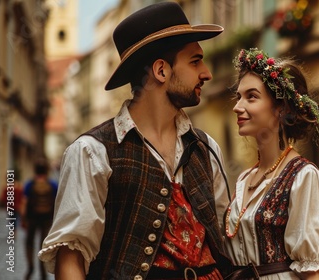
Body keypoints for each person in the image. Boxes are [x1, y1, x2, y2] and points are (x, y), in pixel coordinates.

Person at [38, 2, 231, 279]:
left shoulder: (206, 148)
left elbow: (225, 240)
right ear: (161, 71)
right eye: (195, 60)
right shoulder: (93, 152)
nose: (206, 73)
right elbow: (72, 258)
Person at [224, 48, 319, 279]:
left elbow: (313, 273)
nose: (238, 106)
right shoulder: (244, 178)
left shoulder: (304, 177)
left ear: (282, 108)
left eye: (251, 96)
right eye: (239, 97)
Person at [23, 158, 58, 280]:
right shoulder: (52, 184)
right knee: (43, 245)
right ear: (46, 170)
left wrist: (23, 219)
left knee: (29, 243)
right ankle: (43, 272)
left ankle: (30, 267)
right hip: (47, 219)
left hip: (32, 218)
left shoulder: (30, 184)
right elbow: (57, 202)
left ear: (35, 170)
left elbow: (25, 201)